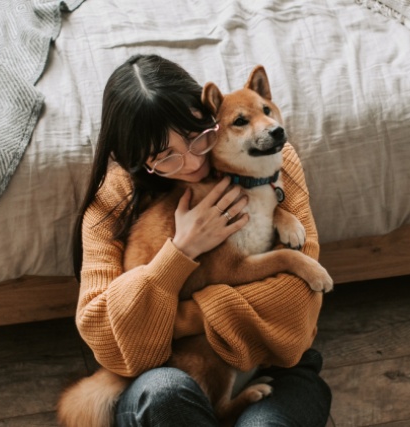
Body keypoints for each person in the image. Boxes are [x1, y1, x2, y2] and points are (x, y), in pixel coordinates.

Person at [72, 53, 332, 426]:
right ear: (134, 159)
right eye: (165, 156)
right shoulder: (112, 199)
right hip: (170, 374)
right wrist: (181, 251)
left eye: (198, 138)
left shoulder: (269, 158)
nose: (193, 163)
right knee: (166, 394)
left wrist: (170, 320)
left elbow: (296, 306)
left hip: (275, 361)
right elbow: (107, 341)